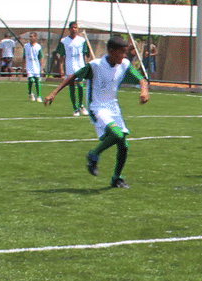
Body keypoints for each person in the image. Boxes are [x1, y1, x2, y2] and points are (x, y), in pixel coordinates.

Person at [45, 36, 149, 189]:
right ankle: (93, 155)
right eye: (121, 52)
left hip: (113, 107)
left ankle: (116, 178)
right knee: (117, 135)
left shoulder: (124, 64)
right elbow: (73, 77)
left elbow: (141, 79)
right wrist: (54, 92)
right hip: (97, 107)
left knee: (124, 145)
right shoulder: (96, 65)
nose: (124, 56)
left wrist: (144, 91)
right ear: (112, 51)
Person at [53, 21, 91, 115]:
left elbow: (86, 55)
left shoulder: (82, 40)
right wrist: (60, 68)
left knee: (81, 85)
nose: (74, 29)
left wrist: (86, 66)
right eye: (73, 27)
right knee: (72, 86)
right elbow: (61, 56)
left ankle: (81, 105)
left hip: (80, 66)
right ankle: (75, 108)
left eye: (76, 27)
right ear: (69, 29)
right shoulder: (64, 41)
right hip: (69, 65)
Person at [24, 32, 46, 102]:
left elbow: (41, 57)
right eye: (30, 36)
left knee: (37, 80)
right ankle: (30, 93)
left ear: (35, 37)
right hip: (29, 65)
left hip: (36, 66)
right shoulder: (26, 46)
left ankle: (39, 96)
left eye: (32, 36)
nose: (30, 38)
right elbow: (24, 57)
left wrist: (41, 68)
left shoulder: (38, 46)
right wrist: (23, 67)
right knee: (30, 80)